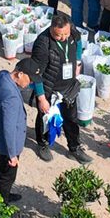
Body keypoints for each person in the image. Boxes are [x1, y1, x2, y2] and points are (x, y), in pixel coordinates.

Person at [30, 14, 93, 164]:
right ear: (51, 29)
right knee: (45, 119)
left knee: (71, 119)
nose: (64, 38)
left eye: (66, 33)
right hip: (49, 89)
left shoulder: (71, 30)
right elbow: (36, 73)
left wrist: (77, 61)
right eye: (59, 35)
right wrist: (41, 98)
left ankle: (74, 147)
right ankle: (43, 144)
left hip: (68, 87)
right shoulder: (42, 44)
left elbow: (77, 40)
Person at [0, 58, 42, 204]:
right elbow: (9, 127)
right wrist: (12, 154)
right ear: (20, 74)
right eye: (30, 79)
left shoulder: (2, 75)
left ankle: (4, 194)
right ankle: (2, 205)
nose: (30, 83)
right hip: (8, 144)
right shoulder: (11, 96)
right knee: (7, 175)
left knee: (2, 171)